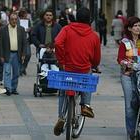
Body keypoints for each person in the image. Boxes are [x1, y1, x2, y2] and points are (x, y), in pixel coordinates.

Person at [53, 7, 101, 136]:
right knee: (88, 81)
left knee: (63, 93)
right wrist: (95, 65)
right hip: (84, 69)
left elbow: (57, 43)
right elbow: (96, 58)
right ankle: (85, 105)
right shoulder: (94, 36)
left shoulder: (67, 29)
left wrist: (61, 59)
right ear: (89, 20)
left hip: (67, 68)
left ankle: (61, 117)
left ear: (76, 18)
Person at [0, 11, 26, 96]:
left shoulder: (21, 29)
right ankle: (8, 89)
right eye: (12, 19)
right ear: (9, 20)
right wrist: (1, 55)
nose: (14, 21)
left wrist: (23, 54)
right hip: (7, 53)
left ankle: (14, 88)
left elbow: (24, 43)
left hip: (17, 54)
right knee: (7, 72)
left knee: (16, 73)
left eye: (15, 19)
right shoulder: (3, 29)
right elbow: (0, 43)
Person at [18, 8, 32, 76]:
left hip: (26, 39)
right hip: (19, 39)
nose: (25, 16)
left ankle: (23, 68)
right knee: (20, 55)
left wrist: (29, 29)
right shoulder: (17, 20)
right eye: (24, 15)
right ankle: (20, 69)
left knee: (28, 54)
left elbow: (30, 28)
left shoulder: (28, 21)